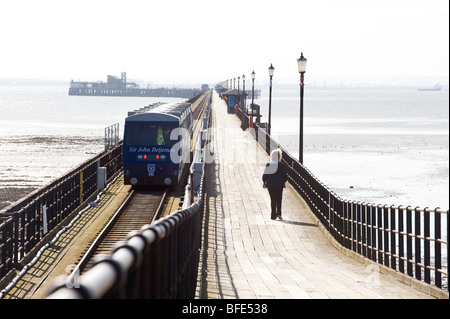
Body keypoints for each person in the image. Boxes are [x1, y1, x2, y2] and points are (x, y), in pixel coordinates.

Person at [262, 148, 287, 220]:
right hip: (279, 185)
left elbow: (265, 176)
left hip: (270, 185)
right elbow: (285, 176)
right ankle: (279, 213)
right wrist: (282, 181)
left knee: (273, 199)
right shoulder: (281, 165)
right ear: (279, 157)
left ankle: (273, 215)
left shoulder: (269, 164)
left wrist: (264, 182)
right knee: (279, 199)